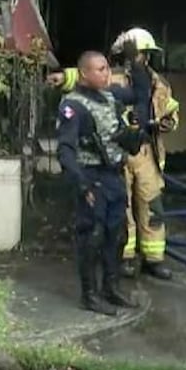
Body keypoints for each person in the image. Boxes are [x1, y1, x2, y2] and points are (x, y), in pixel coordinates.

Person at [48, 27, 180, 281]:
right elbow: (87, 77)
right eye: (140, 54)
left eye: (145, 54)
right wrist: (64, 77)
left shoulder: (160, 84)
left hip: (147, 153)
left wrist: (170, 123)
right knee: (124, 208)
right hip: (117, 152)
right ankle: (125, 258)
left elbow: (171, 110)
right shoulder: (113, 79)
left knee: (152, 205)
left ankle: (154, 258)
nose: (143, 59)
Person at [55, 47, 154, 316]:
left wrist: (137, 64)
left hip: (113, 175)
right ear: (84, 74)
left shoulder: (110, 96)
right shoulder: (72, 105)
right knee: (92, 237)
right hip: (91, 177)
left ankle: (111, 288)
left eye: (108, 68)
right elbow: (65, 150)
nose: (107, 73)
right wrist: (81, 184)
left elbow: (142, 94)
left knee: (117, 234)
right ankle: (90, 295)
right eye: (100, 69)